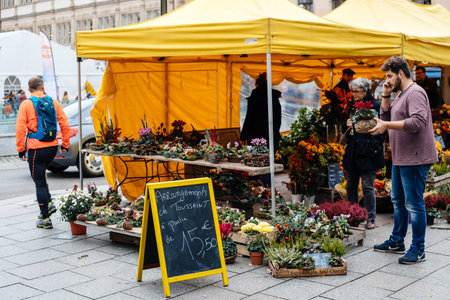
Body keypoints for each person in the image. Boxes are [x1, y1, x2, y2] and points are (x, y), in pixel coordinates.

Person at [369, 56, 438, 264]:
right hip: (400, 157)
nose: (387, 80)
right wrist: (386, 95)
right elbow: (386, 118)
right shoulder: (400, 94)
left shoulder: (416, 92)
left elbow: (418, 121)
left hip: (415, 158)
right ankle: (397, 241)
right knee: (397, 201)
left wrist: (386, 125)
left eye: (389, 76)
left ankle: (418, 249)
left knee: (414, 205)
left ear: (401, 73)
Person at [16, 77, 71, 229]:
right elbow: (64, 124)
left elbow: (20, 128)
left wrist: (21, 149)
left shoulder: (26, 104)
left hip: (36, 148)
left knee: (39, 182)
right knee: (42, 178)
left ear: (29, 90)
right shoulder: (53, 101)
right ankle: (49, 204)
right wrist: (65, 144)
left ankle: (45, 219)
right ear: (43, 87)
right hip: (52, 147)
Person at [342, 78, 385, 230]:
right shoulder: (352, 106)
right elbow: (347, 127)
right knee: (351, 185)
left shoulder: (376, 105)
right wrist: (346, 124)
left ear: (365, 90)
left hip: (368, 153)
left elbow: (381, 132)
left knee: (367, 187)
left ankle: (370, 218)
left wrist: (371, 148)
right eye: (352, 91)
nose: (353, 94)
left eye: (356, 91)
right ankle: (353, 215)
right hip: (353, 151)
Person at [240, 72, 282, 150]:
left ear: (257, 85)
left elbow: (249, 117)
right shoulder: (274, 98)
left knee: (257, 159)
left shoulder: (254, 98)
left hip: (255, 137)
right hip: (272, 136)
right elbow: (278, 118)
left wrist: (243, 136)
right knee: (270, 160)